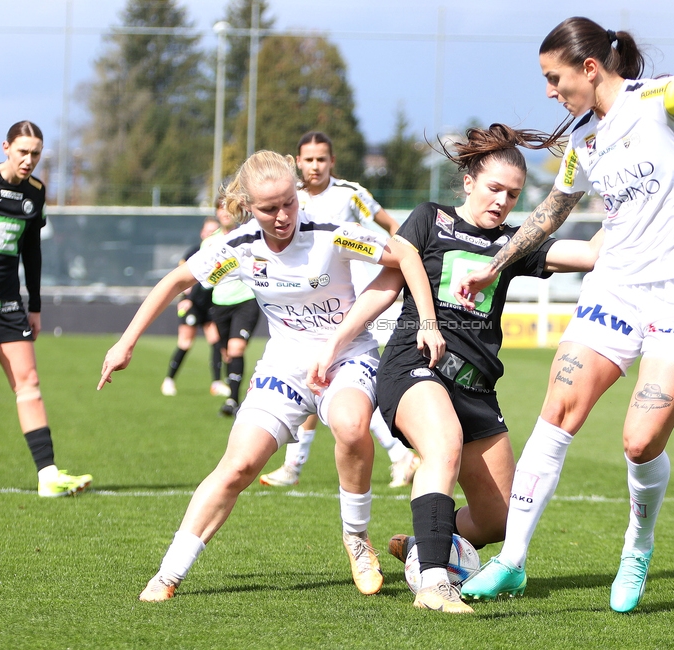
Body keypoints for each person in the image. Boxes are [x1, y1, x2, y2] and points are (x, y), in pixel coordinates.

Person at [456, 18, 674, 613]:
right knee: (557, 411)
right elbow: (550, 214)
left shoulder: (656, 97)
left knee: (639, 443)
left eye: (554, 78)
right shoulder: (584, 141)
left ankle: (637, 545)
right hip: (617, 289)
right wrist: (496, 264)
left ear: (589, 67)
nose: (549, 91)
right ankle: (511, 561)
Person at [98, 150, 442, 602]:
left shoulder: (334, 234)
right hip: (284, 366)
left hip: (349, 355)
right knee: (238, 465)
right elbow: (176, 282)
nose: (282, 216)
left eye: (289, 203)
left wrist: (427, 324)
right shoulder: (238, 249)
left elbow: (405, 259)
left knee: (353, 424)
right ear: (247, 205)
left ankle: (356, 538)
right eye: (269, 208)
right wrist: (125, 343)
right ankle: (168, 573)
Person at [308, 123, 603, 613]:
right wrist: (335, 341)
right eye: (493, 189)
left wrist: (634, 195)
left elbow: (592, 255)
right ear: (468, 182)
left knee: (499, 521)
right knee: (441, 446)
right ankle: (433, 585)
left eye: (512, 195)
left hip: (477, 388)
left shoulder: (514, 243)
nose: (502, 202)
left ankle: (424, 544)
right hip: (415, 365)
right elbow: (385, 285)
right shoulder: (429, 219)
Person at [261, 130, 421, 489]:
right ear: (297, 161)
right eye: (308, 159)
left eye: (321, 159)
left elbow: (392, 226)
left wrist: (399, 263)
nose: (314, 166)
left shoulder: (350, 194)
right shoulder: (289, 198)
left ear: (332, 161)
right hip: (306, 306)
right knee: (316, 380)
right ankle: (298, 465)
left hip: (349, 302)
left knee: (332, 381)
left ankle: (393, 454)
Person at [0, 121, 91, 497]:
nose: (29, 160)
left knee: (29, 383)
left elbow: (32, 252)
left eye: (36, 153)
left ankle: (48, 477)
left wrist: (35, 305)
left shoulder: (37, 193)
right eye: (23, 151)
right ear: (6, 147)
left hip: (8, 303)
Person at [160, 216, 230, 398]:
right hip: (192, 304)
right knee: (185, 342)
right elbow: (181, 280)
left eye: (213, 231)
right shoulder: (194, 252)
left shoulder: (225, 251)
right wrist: (184, 298)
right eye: (207, 231)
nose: (209, 234)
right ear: (202, 233)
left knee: (216, 342)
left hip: (210, 305)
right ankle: (169, 380)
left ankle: (216, 383)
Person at [208, 200, 260, 416]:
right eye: (221, 208)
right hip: (220, 304)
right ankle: (234, 397)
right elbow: (205, 279)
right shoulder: (209, 243)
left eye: (229, 208)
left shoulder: (248, 238)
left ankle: (232, 400)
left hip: (245, 300)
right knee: (227, 354)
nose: (225, 212)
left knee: (236, 348)